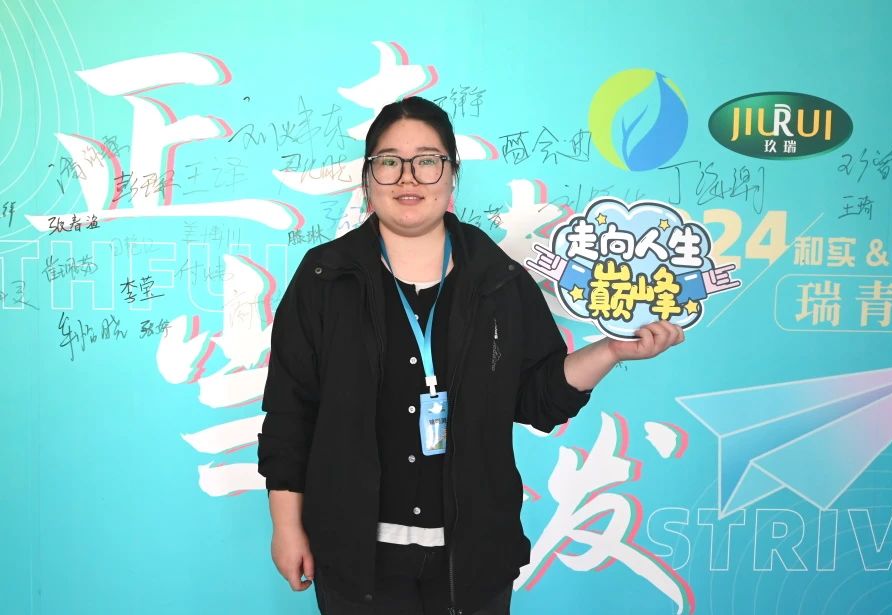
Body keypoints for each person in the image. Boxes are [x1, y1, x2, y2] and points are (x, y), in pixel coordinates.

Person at [257, 96, 684, 615]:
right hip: (354, 557)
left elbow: (539, 398)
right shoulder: (325, 278)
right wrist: (286, 526)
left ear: (452, 173)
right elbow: (290, 412)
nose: (408, 177)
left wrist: (610, 351)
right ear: (368, 177)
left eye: (427, 161)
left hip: (472, 559)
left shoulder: (496, 279)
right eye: (389, 161)